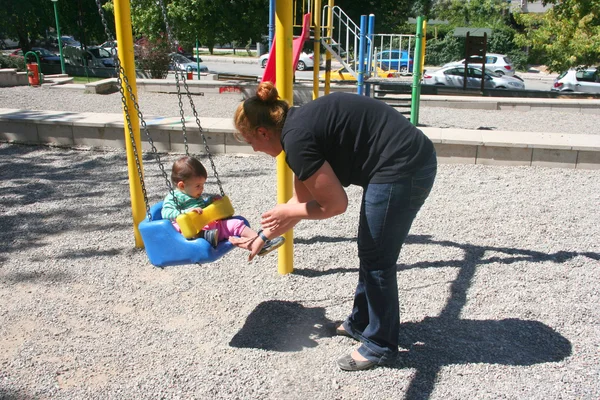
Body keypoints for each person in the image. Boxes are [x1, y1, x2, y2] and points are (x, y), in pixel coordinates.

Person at [231, 82, 437, 371]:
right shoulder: (297, 129)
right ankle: (361, 322)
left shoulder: (297, 140)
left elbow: (335, 205)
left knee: (378, 257)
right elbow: (300, 201)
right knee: (370, 250)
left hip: (405, 167)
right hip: (398, 162)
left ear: (263, 132)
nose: (253, 148)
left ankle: (380, 345)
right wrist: (263, 235)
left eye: (249, 140)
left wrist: (288, 210)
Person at [162, 156, 285, 258]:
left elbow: (202, 208)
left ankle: (261, 243)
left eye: (203, 184)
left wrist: (210, 202)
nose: (202, 188)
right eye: (198, 186)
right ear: (182, 185)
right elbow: (166, 213)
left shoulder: (193, 193)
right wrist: (185, 212)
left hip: (209, 224)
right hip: (192, 231)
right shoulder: (173, 197)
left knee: (237, 223)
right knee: (178, 226)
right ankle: (205, 237)